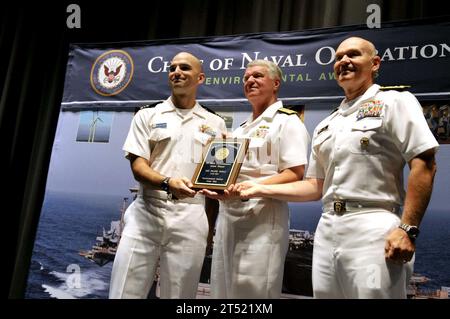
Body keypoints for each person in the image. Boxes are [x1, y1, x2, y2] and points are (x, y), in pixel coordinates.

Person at [240, 37, 439, 299]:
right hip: (327, 228)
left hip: (373, 226)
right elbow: (314, 186)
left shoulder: (395, 102)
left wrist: (408, 229)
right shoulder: (326, 124)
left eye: (353, 55)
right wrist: (258, 188)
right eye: (338, 57)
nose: (344, 61)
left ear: (375, 63)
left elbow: (424, 163)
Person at [109, 52, 227, 299]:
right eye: (172, 68)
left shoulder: (215, 123)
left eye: (185, 68)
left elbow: (215, 182)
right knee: (124, 293)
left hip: (191, 217)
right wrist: (167, 183)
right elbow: (138, 167)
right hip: (146, 214)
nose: (177, 72)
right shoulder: (147, 115)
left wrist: (209, 229)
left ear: (200, 78)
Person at [201, 60, 310, 298]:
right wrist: (217, 186)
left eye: (258, 76)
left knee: (253, 292)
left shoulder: (287, 121)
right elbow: (230, 176)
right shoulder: (239, 131)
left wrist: (253, 187)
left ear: (276, 84)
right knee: (222, 290)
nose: (250, 80)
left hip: (262, 217)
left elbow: (295, 173)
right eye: (246, 77)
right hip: (229, 217)